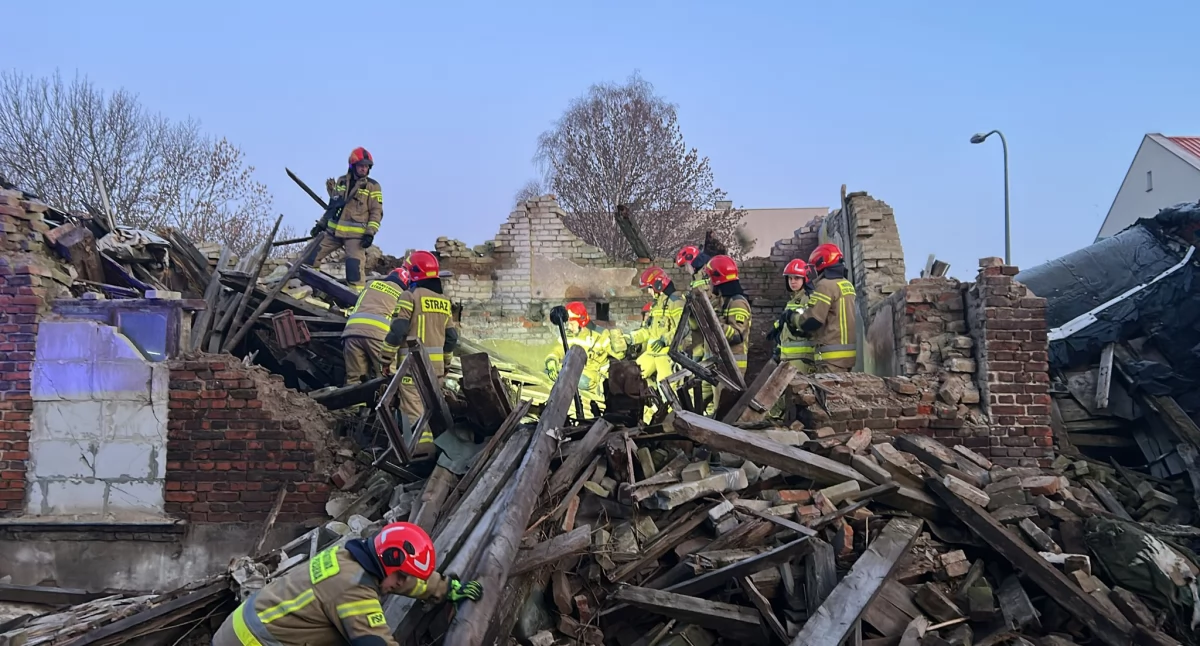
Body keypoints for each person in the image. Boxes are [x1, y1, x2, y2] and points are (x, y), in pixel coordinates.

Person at [212, 521, 481, 646]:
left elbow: (405, 581)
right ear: (387, 561)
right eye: (400, 576)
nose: (400, 584)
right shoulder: (353, 589)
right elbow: (375, 643)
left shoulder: (352, 557)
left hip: (243, 626)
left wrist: (445, 588)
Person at [393, 251, 458, 453]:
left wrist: (385, 359)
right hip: (435, 370)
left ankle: (421, 452)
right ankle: (436, 450)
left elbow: (398, 331)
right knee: (430, 408)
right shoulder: (444, 301)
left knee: (413, 408)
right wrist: (446, 364)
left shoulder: (409, 296)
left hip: (411, 367)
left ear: (414, 274)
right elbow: (452, 338)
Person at [304, 147, 384, 292]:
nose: (364, 169)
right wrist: (321, 225)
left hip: (356, 237)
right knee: (310, 256)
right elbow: (332, 206)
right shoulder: (341, 181)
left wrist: (370, 233)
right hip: (333, 232)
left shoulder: (373, 186)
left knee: (354, 271)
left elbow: (376, 212)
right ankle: (311, 288)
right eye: (361, 166)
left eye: (367, 166)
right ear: (353, 166)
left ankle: (355, 298)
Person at [341, 266, 409, 385]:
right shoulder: (403, 294)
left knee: (355, 379)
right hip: (378, 336)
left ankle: (355, 397)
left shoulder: (370, 284)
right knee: (386, 378)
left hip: (351, 332)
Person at [544, 302, 622, 401]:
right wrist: (551, 361)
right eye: (568, 324)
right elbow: (556, 350)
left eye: (572, 324)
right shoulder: (568, 335)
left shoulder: (600, 335)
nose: (569, 327)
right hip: (574, 371)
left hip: (594, 377)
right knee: (549, 372)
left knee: (578, 380)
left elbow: (619, 356)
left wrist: (620, 346)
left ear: (582, 321)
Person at [800, 243, 858, 372]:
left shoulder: (825, 285)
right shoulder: (847, 284)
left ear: (821, 262)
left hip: (830, 357)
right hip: (847, 356)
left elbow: (813, 320)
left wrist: (794, 319)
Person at [629, 267, 683, 388]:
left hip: (668, 355)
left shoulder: (676, 302)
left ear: (658, 285)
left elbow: (683, 329)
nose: (649, 292)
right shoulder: (656, 305)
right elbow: (647, 330)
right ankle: (652, 398)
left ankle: (667, 400)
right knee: (632, 375)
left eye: (649, 288)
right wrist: (630, 338)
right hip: (652, 353)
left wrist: (664, 340)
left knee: (666, 387)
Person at [773, 258, 817, 374]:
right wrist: (779, 348)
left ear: (805, 278)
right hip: (788, 358)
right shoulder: (792, 301)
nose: (792, 281)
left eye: (796, 278)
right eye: (790, 278)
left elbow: (809, 324)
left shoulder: (809, 298)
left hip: (802, 359)